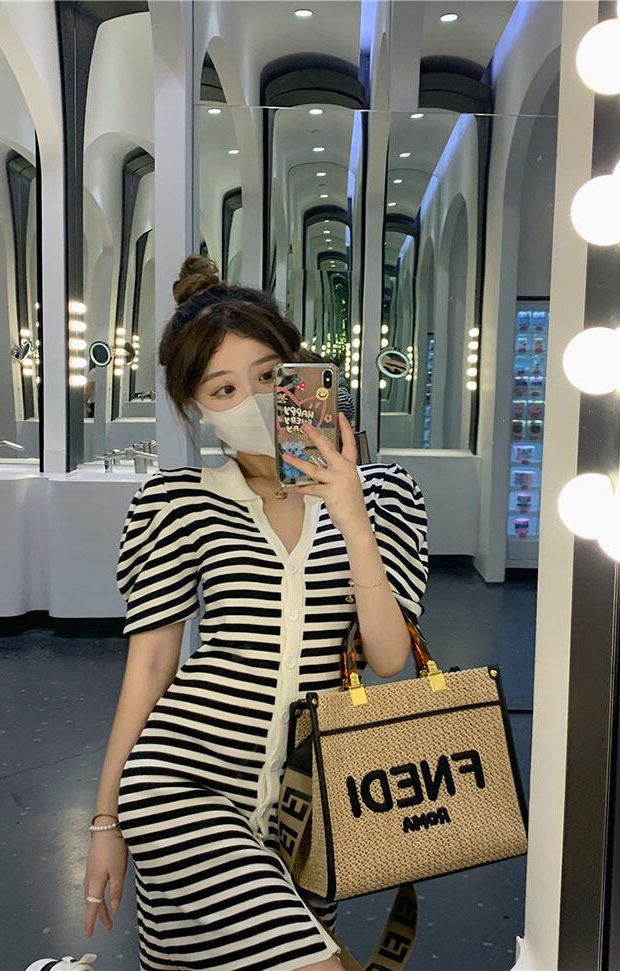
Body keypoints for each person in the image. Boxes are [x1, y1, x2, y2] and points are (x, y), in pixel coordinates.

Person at [82, 255, 429, 971]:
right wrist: (106, 820)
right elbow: (150, 665)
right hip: (184, 784)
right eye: (224, 388)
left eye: (270, 376)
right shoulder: (177, 503)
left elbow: (390, 657)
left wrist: (351, 513)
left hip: (311, 806)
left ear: (301, 371)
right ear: (196, 407)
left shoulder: (386, 495)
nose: (253, 400)